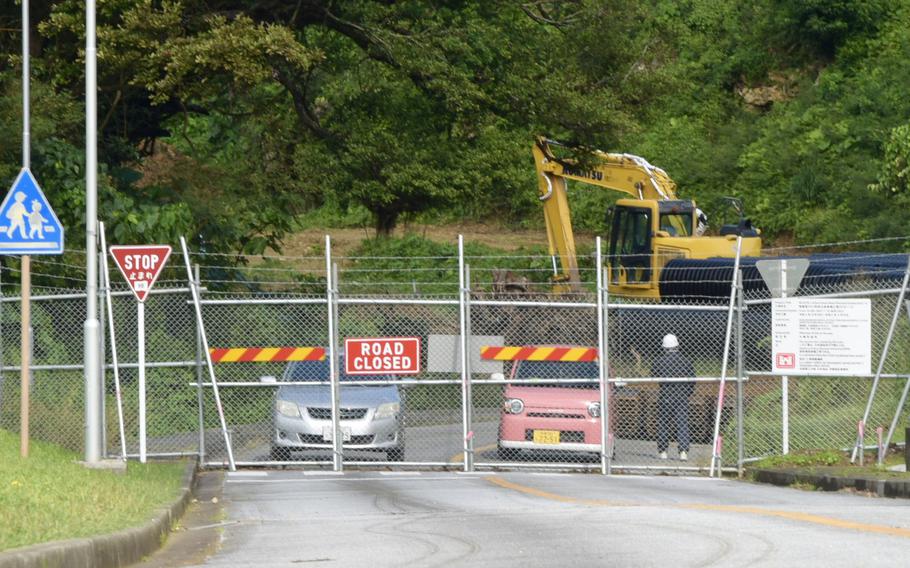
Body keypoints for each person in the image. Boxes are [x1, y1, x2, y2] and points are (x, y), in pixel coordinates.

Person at [651, 333, 695, 461]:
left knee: (663, 423)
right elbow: (692, 380)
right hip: (681, 396)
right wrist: (687, 393)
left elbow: (654, 375)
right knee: (682, 423)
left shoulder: (659, 361)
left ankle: (663, 450)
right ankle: (683, 451)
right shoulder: (686, 361)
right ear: (677, 345)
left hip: (666, 395)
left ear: (664, 347)